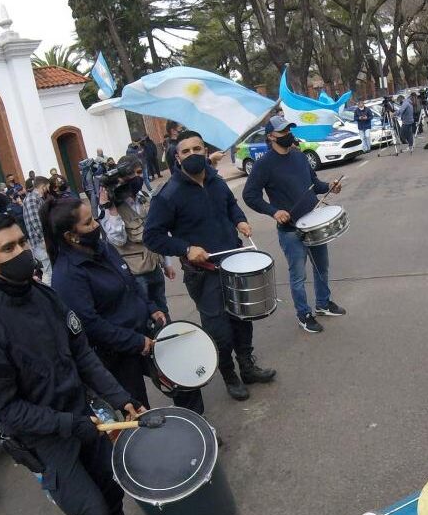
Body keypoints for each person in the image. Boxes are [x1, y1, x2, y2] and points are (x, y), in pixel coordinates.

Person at [0, 214, 166, 515]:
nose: (21, 252)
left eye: (22, 242)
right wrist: (71, 424)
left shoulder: (45, 295)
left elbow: (81, 354)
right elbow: (9, 412)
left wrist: (120, 398)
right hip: (47, 437)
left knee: (110, 486)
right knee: (90, 509)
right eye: (8, 248)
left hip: (83, 415)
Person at [144, 130, 277, 401]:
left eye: (197, 149)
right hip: (203, 275)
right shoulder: (168, 195)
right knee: (219, 330)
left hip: (235, 264)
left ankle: (248, 367)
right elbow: (152, 236)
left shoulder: (216, 180)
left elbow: (231, 206)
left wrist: (239, 220)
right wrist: (185, 248)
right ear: (177, 158)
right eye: (186, 151)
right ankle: (230, 375)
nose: (193, 154)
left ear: (205, 150)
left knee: (243, 319)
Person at [44, 195, 205, 415]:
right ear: (71, 236)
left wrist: (151, 308)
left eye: (93, 219)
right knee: (139, 409)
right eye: (88, 223)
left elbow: (130, 282)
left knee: (183, 379)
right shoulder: (67, 275)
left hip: (145, 332)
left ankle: (196, 425)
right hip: (117, 353)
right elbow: (90, 324)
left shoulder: (104, 249)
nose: (96, 225)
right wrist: (134, 341)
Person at [243, 116, 347, 334]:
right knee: (298, 276)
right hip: (290, 230)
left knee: (322, 268)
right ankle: (303, 314)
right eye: (283, 132)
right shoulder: (263, 165)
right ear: (271, 137)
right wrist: (274, 211)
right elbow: (250, 195)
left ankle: (323, 303)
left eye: (289, 130)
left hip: (314, 224)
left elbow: (314, 184)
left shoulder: (299, 157)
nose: (288, 135)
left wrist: (330, 186)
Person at [98, 156, 174, 319]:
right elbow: (118, 240)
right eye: (134, 173)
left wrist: (166, 263)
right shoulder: (109, 206)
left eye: (140, 172)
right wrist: (111, 209)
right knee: (145, 314)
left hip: (154, 266)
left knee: (162, 308)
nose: (138, 178)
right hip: (134, 274)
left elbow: (158, 231)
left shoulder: (144, 197)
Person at [22, 176, 52, 283]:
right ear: (43, 186)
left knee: (49, 270)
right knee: (49, 272)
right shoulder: (32, 198)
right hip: (40, 243)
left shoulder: (35, 198)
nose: (48, 190)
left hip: (41, 241)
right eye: (47, 187)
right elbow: (35, 221)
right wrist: (44, 239)